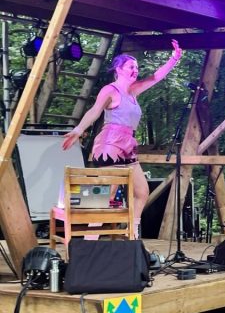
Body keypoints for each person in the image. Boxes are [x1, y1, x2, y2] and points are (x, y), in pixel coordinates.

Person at [61, 41, 182, 238]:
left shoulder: (134, 91)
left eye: (137, 67)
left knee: (141, 192)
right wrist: (79, 129)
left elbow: (157, 77)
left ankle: (131, 234)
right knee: (106, 194)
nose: (136, 70)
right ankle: (89, 240)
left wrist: (175, 58)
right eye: (131, 67)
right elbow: (94, 111)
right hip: (111, 144)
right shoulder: (110, 90)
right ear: (119, 69)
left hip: (128, 146)